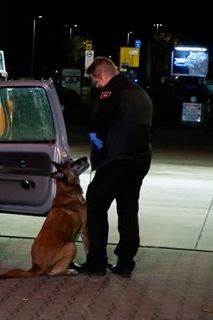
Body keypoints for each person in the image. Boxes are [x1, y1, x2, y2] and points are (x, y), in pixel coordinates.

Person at [70, 57, 153, 277]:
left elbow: (98, 121)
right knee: (128, 209)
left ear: (102, 74)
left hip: (117, 160)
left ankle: (96, 261)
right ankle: (126, 262)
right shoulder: (139, 92)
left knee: (96, 204)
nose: (96, 86)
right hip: (140, 158)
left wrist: (94, 134)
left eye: (95, 81)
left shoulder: (112, 92)